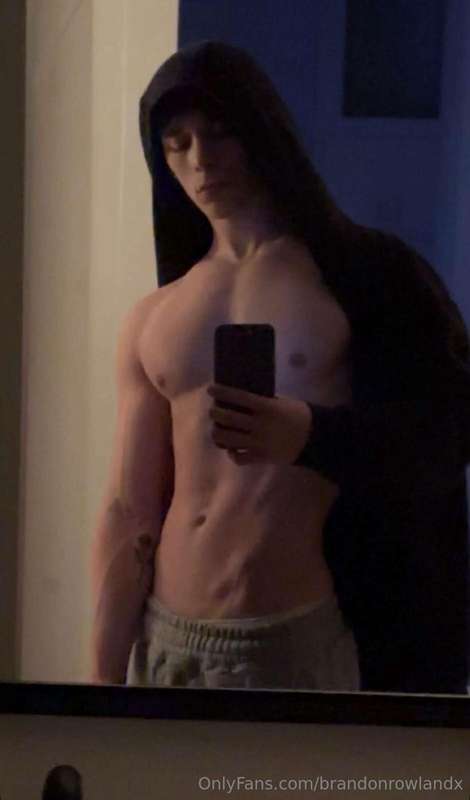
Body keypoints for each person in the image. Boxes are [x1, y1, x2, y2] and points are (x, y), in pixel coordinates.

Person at [90, 40, 470, 693]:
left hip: (293, 634)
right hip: (170, 636)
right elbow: (129, 510)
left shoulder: (361, 279)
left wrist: (310, 434)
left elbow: (446, 426)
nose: (200, 160)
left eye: (219, 132)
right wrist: (98, 682)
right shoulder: (156, 314)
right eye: (177, 143)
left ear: (262, 131)